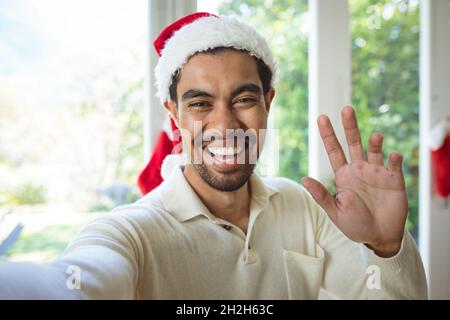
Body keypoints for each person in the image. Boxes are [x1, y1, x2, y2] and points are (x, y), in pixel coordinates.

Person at [0, 12, 427, 299]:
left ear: (268, 103)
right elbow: (76, 281)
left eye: (243, 99)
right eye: (201, 103)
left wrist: (386, 246)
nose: (225, 126)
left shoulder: (305, 206)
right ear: (174, 117)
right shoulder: (131, 232)